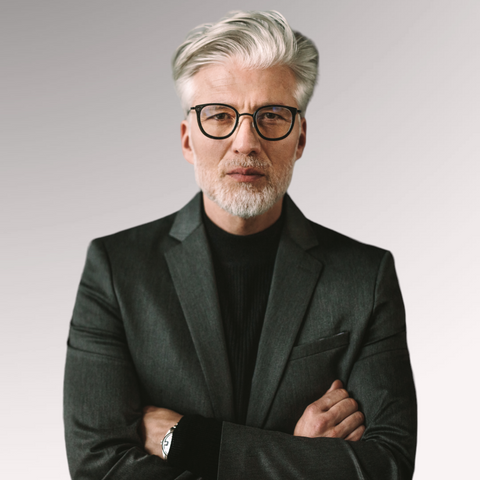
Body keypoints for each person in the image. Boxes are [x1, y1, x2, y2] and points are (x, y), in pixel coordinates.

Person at [64, 10, 417, 480]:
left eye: (271, 115)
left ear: (300, 138)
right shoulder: (114, 269)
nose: (245, 141)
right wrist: (296, 456)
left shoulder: (365, 277)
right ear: (188, 140)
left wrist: (185, 440)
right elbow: (98, 467)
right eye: (219, 116)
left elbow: (387, 466)